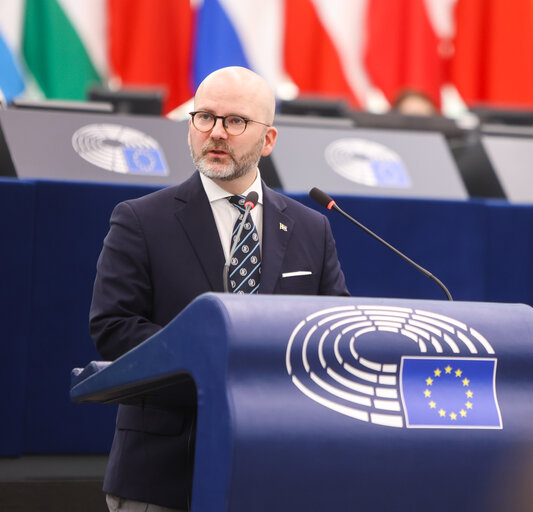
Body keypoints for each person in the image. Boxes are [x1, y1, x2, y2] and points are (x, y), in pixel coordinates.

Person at [89, 66, 349, 511]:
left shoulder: (312, 228)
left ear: (268, 140)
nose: (216, 133)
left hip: (277, 473)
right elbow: (113, 328)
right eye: (204, 117)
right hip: (164, 475)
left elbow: (334, 333)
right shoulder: (140, 220)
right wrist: (215, 353)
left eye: (235, 121)